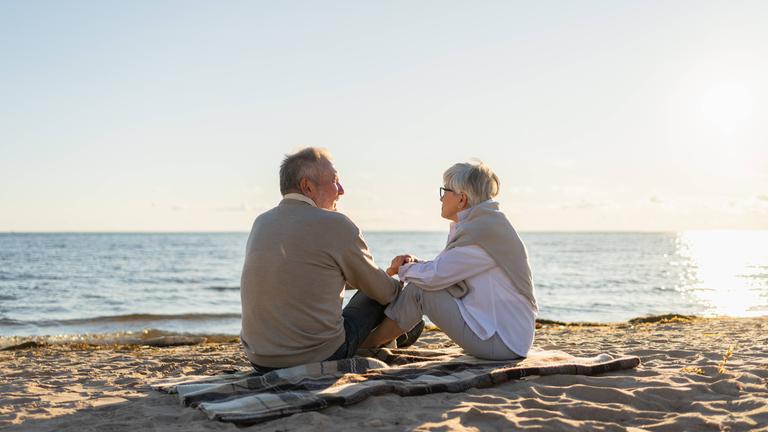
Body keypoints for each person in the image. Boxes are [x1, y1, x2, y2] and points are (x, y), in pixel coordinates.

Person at [240, 147, 414, 372]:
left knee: (376, 289)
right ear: (307, 186)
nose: (341, 190)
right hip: (316, 356)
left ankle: (383, 338)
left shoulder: (261, 222)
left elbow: (312, 278)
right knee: (393, 298)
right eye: (335, 181)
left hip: (260, 359)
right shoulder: (336, 223)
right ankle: (386, 340)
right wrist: (399, 280)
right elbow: (384, 292)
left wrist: (386, 273)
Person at [362, 161, 538, 360]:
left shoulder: (481, 233)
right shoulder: (483, 225)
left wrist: (402, 269)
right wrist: (414, 265)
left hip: (502, 344)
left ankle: (365, 345)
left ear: (461, 199)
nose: (441, 198)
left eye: (444, 190)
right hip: (507, 338)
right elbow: (447, 270)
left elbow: (436, 276)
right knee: (421, 285)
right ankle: (377, 341)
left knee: (420, 291)